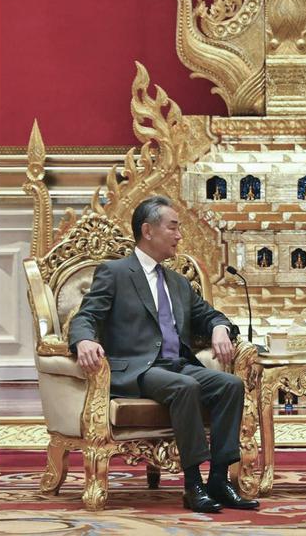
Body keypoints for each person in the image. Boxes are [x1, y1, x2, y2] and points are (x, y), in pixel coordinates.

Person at [68, 195, 259, 513]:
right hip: (138, 369)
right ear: (148, 230)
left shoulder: (178, 282)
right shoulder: (115, 273)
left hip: (178, 364)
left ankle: (219, 480)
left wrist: (220, 329)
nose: (179, 235)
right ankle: (193, 484)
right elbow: (85, 316)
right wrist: (84, 341)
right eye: (173, 227)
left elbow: (211, 316)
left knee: (231, 386)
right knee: (186, 388)